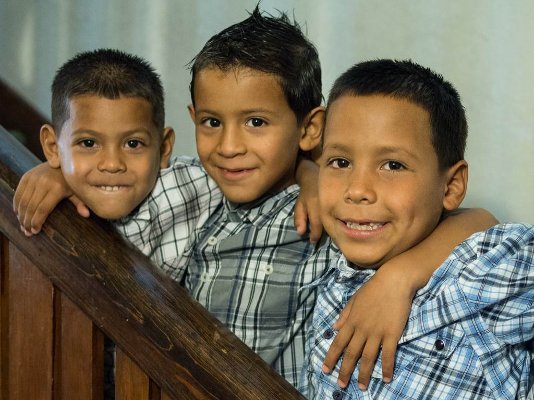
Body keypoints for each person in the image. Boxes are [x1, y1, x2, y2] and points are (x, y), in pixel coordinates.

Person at [14, 9, 497, 390]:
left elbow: (477, 222)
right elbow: (112, 175)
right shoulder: (193, 184)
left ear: (310, 128)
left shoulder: (333, 211)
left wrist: (399, 278)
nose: (228, 147)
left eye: (256, 123)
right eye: (211, 123)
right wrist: (57, 176)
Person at [301, 59, 534, 399]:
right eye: (341, 162)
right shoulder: (323, 259)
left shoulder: (472, 276)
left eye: (393, 165)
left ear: (451, 186)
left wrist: (402, 275)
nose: (357, 189)